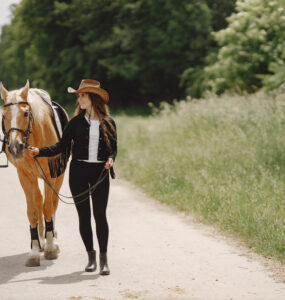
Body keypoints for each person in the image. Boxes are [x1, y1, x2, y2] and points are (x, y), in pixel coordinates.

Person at [28, 79, 117, 275]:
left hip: (100, 174)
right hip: (78, 174)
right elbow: (60, 146)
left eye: (83, 95)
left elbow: (113, 149)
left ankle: (104, 259)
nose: (79, 99)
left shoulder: (109, 122)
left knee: (100, 217)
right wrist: (39, 151)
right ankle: (91, 258)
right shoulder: (75, 122)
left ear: (93, 98)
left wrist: (110, 159)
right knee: (84, 218)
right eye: (79, 96)